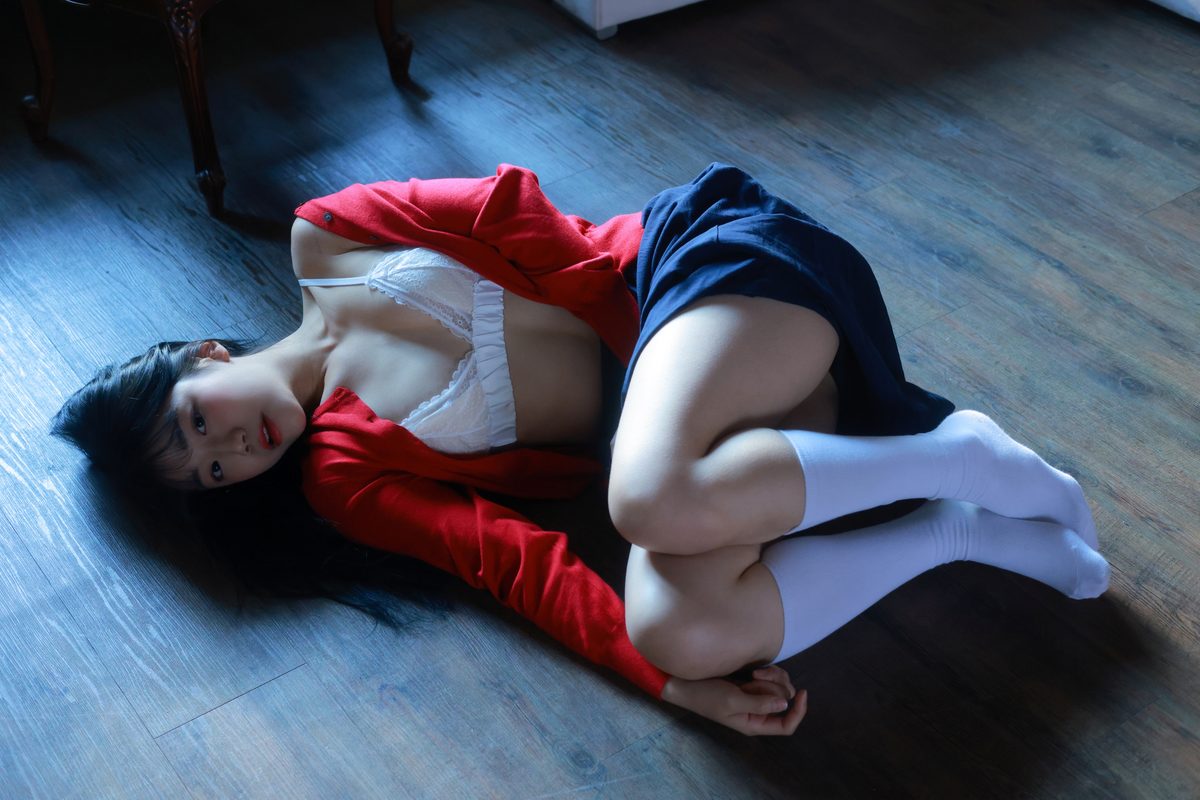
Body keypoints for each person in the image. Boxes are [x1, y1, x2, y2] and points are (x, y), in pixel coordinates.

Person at [52, 163, 1110, 737]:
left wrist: (650, 379)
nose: (233, 447)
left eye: (196, 422)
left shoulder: (327, 236)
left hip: (703, 285)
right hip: (723, 448)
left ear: (200, 356)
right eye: (214, 472)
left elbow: (515, 211)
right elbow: (509, 562)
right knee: (678, 629)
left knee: (645, 497)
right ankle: (957, 528)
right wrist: (672, 688)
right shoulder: (342, 477)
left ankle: (958, 456)